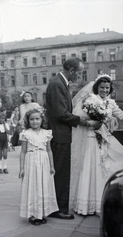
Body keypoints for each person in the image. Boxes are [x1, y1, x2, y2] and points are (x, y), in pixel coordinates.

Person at [70, 74, 123, 216]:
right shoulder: (90, 100)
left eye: (107, 88)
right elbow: (80, 117)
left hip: (105, 136)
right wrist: (91, 122)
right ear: (97, 88)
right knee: (93, 167)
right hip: (91, 137)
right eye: (102, 88)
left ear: (110, 89)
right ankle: (89, 204)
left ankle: (106, 200)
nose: (104, 90)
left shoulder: (111, 103)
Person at [46, 57, 89, 220]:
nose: (80, 76)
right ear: (71, 71)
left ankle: (59, 206)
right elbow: (61, 113)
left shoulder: (59, 83)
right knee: (61, 173)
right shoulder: (57, 84)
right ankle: (59, 209)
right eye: (79, 72)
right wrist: (82, 121)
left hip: (61, 134)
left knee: (61, 172)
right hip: (59, 136)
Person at [19, 108, 58, 226]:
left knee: (43, 186)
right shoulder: (26, 133)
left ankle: (41, 212)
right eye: (32, 119)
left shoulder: (47, 133)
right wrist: (21, 168)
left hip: (44, 162)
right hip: (31, 162)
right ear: (28, 121)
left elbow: (49, 150)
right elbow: (23, 152)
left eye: (37, 119)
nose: (35, 121)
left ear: (42, 120)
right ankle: (33, 214)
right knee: (33, 186)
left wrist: (52, 166)